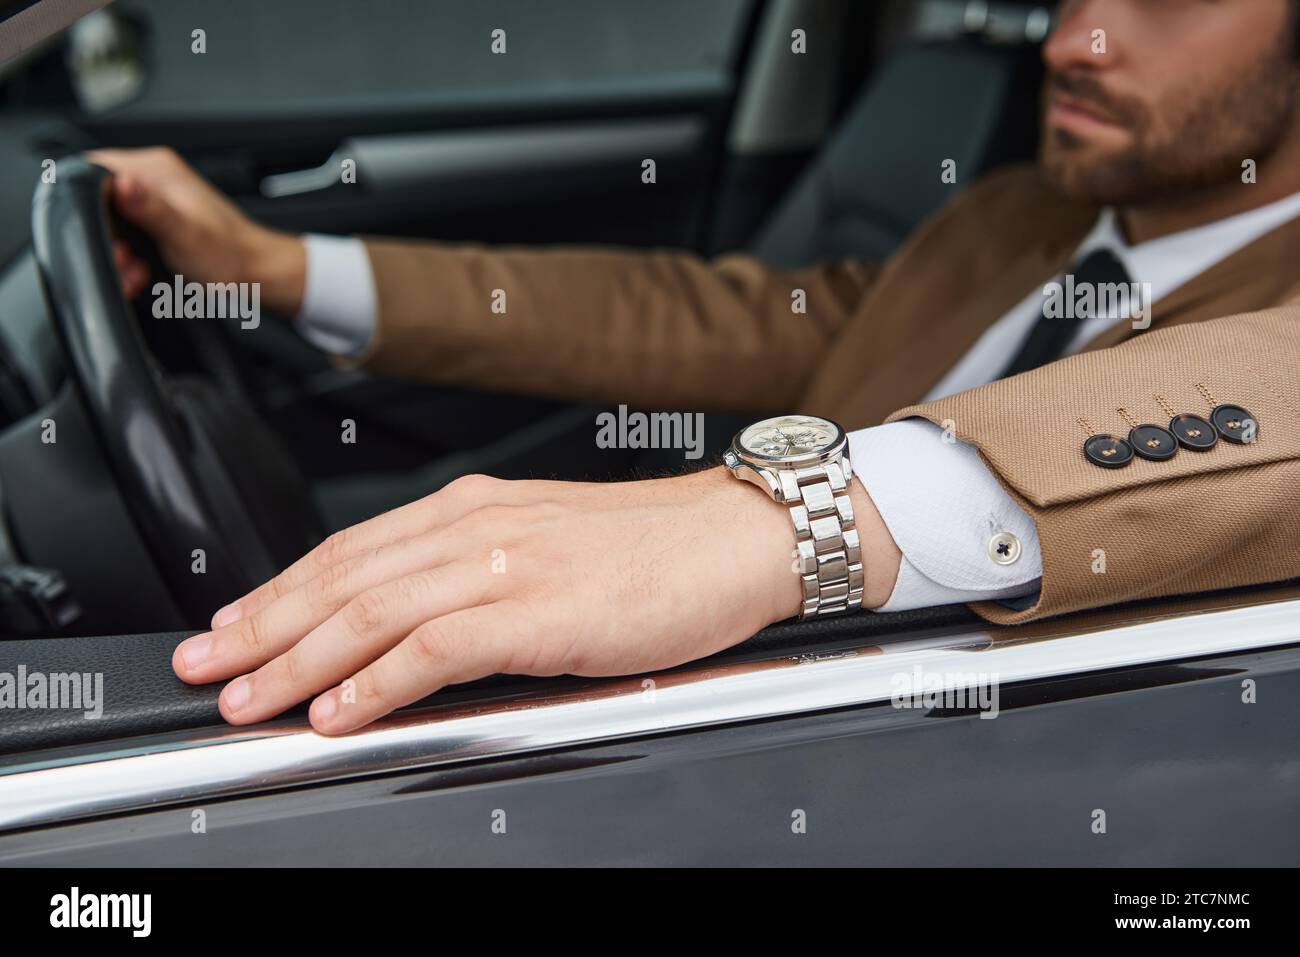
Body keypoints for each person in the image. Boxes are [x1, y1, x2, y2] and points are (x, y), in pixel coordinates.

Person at [89, 0, 1300, 733]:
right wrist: (269, 263)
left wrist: (769, 527)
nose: (1075, 39)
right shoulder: (1011, 223)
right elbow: (695, 315)